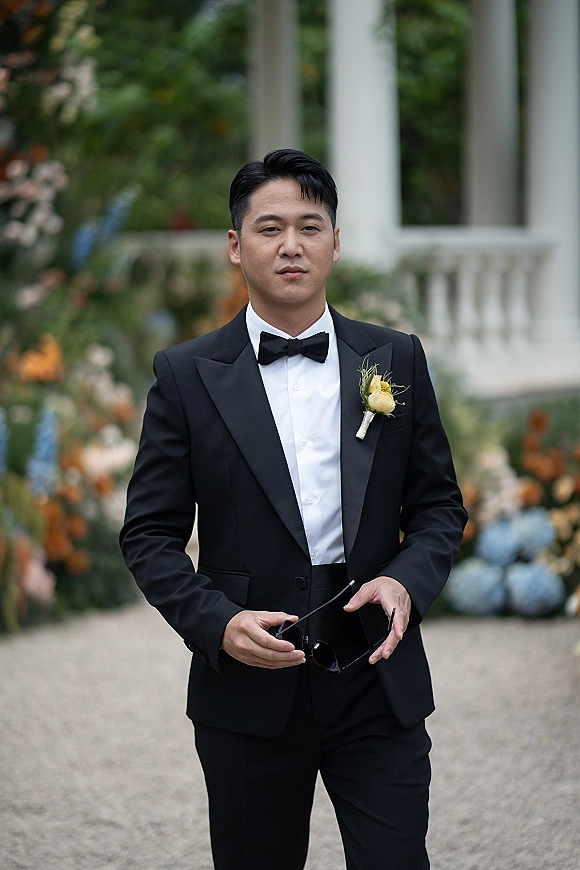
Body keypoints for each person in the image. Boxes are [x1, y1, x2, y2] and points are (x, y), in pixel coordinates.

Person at [120, 148, 467, 870]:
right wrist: (217, 624)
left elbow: (438, 505)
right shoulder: (184, 376)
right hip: (248, 687)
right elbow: (150, 535)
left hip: (377, 673)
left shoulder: (392, 360)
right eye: (270, 226)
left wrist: (406, 579)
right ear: (235, 245)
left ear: (335, 243)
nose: (291, 245)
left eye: (310, 226)